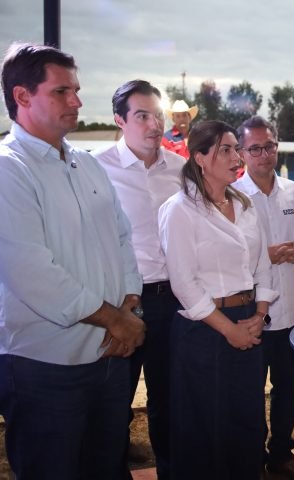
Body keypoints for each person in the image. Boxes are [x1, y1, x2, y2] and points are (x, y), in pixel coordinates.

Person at [0, 43, 145, 479]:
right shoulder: (9, 170)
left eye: (76, 90)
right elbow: (32, 273)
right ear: (22, 96)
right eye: (62, 91)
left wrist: (130, 305)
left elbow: (122, 238)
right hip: (45, 367)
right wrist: (116, 320)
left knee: (106, 467)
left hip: (110, 357)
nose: (77, 101)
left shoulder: (86, 165)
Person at [158, 120, 277, 479]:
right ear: (199, 158)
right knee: (203, 426)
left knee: (247, 420)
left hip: (248, 322)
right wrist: (229, 330)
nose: (236, 157)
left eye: (236, 149)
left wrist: (260, 314)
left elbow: (262, 265)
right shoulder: (180, 209)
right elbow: (184, 283)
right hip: (204, 330)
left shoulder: (244, 205)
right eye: (225, 150)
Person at [93, 79, 185, 480]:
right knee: (114, 403)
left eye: (158, 115)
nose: (154, 125)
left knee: (169, 402)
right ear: (120, 120)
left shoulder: (181, 169)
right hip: (121, 303)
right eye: (142, 116)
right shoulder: (95, 168)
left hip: (172, 299)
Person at [232, 116, 294, 480]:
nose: (264, 155)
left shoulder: (293, 191)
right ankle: (251, 458)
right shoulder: (231, 196)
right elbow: (224, 258)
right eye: (254, 148)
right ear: (240, 153)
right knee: (249, 393)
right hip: (250, 314)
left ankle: (281, 455)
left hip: (293, 312)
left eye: (269, 146)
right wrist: (261, 256)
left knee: (289, 388)